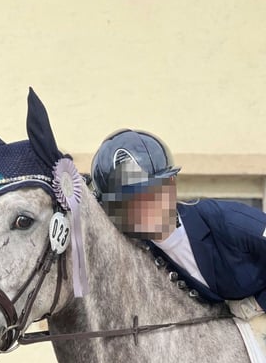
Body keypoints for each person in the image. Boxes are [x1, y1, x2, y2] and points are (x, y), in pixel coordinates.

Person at [90, 128, 266, 320]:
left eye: (148, 194)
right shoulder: (141, 253)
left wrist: (257, 305)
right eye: (126, 203)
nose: (140, 208)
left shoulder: (226, 220)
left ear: (170, 184)